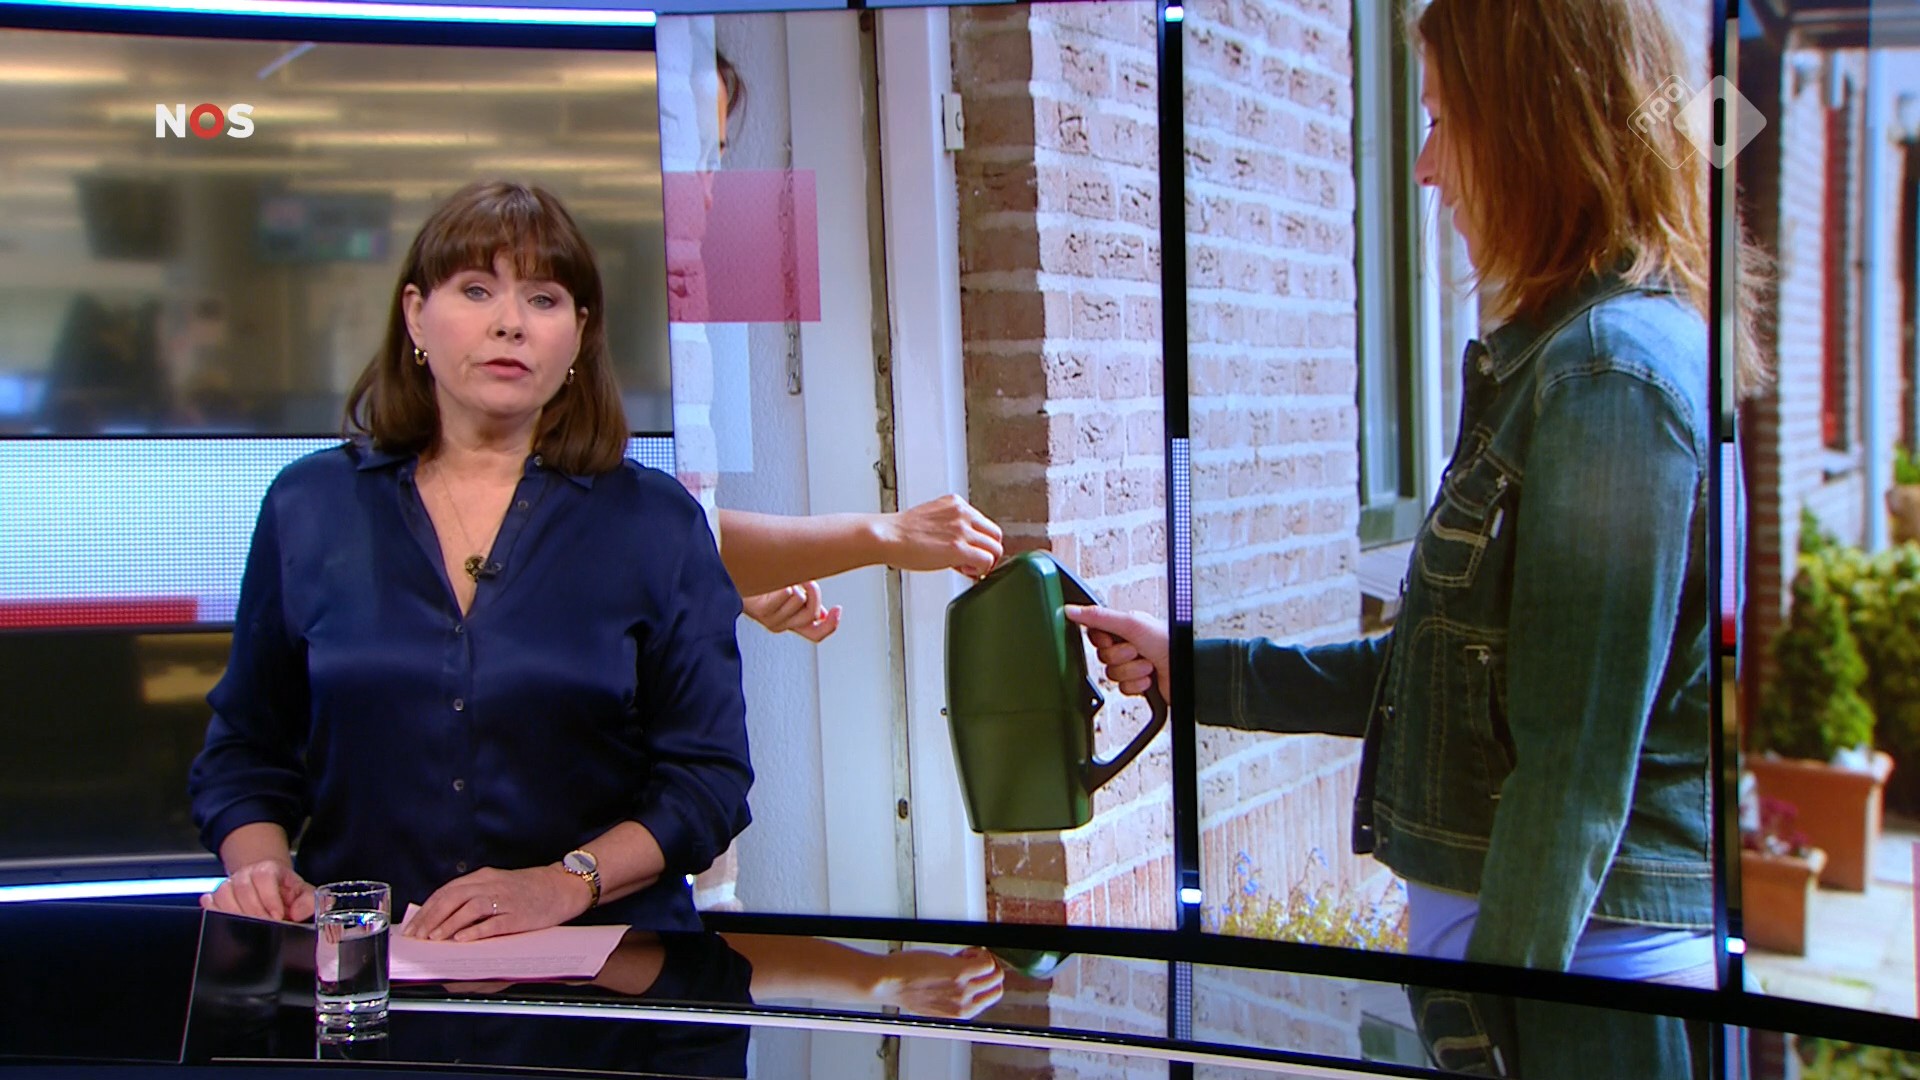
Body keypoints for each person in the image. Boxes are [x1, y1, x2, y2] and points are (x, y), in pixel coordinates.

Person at [1070, 1, 1763, 1074]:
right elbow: (1441, 685)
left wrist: (1489, 1025)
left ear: (1536, 126)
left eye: (1443, 120)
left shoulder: (1606, 377)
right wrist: (1188, 668)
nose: (1426, 166)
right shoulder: (1564, 360)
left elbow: (1571, 773)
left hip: (1578, 1015)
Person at [188, 179, 753, 939]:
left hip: (606, 975)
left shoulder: (654, 524)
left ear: (579, 333)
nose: (510, 323)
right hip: (370, 967)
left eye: (543, 299)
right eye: (477, 290)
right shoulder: (310, 507)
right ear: (416, 314)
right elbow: (246, 752)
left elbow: (709, 778)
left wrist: (562, 885)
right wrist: (262, 873)